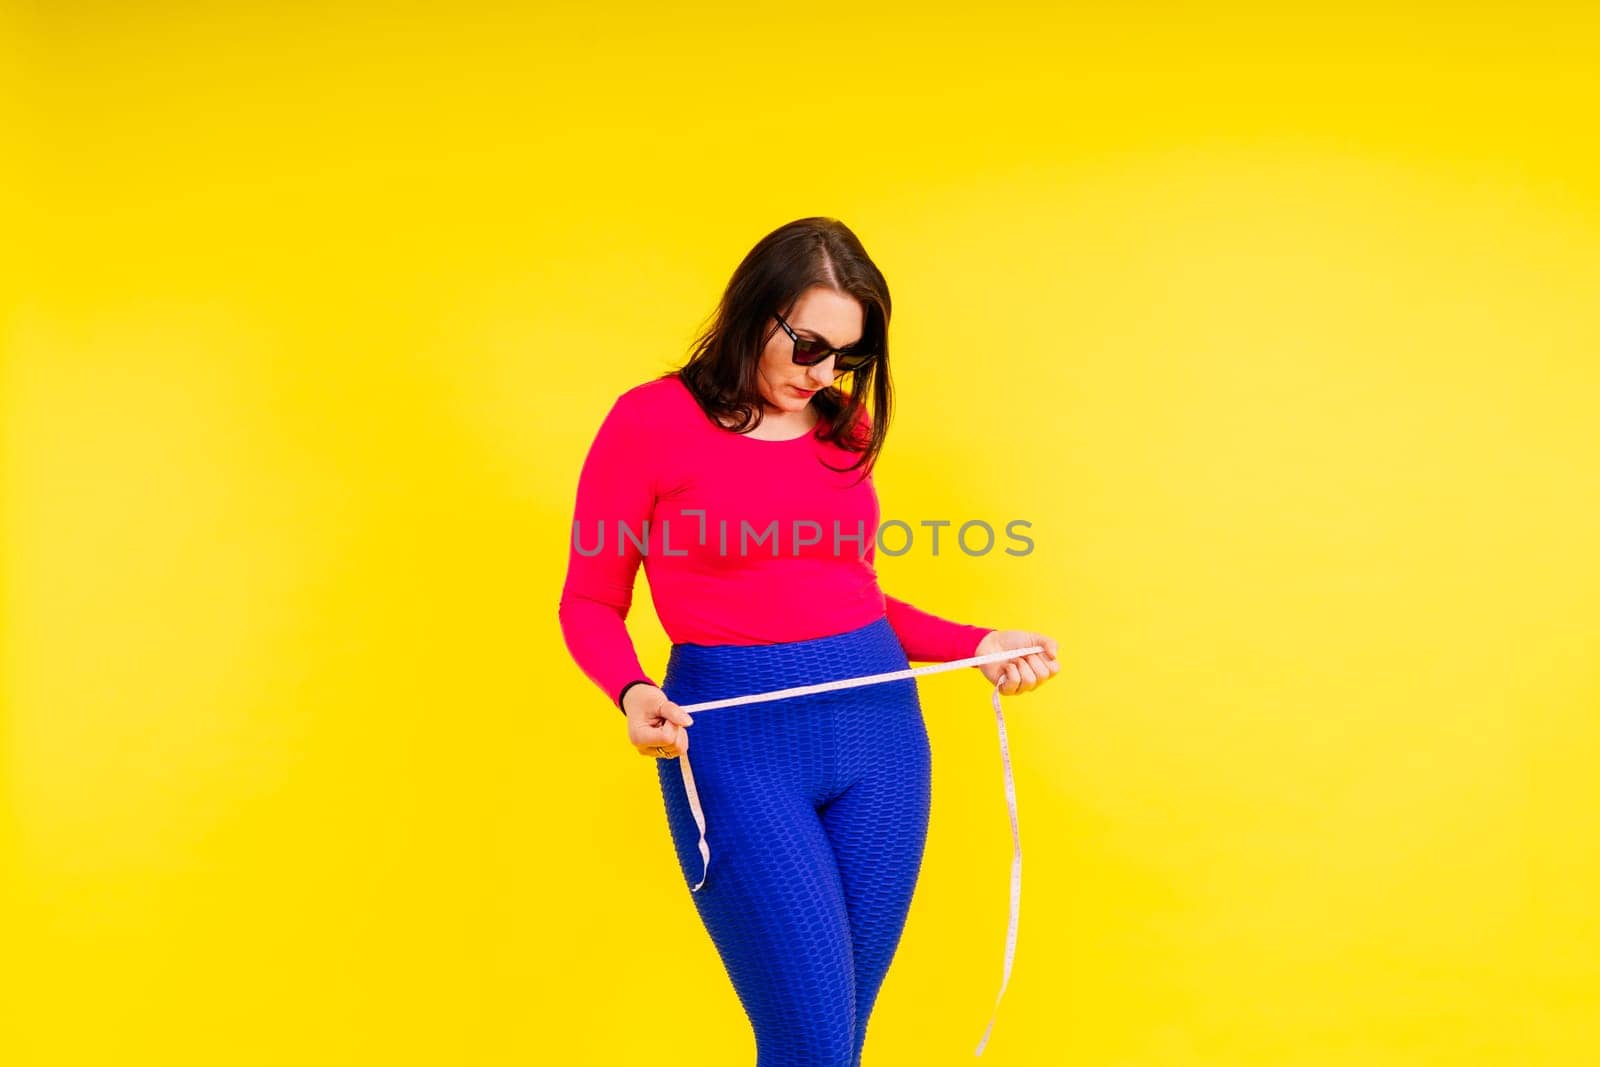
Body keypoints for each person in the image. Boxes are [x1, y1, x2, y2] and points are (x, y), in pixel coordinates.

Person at [558, 216, 1060, 1066]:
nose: (824, 374)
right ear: (755, 311)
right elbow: (589, 601)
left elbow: (851, 599)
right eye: (808, 345)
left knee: (840, 1040)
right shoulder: (649, 422)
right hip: (736, 747)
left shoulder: (842, 431)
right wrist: (634, 690)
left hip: (883, 742)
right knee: (810, 1042)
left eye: (847, 356)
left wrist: (980, 640)